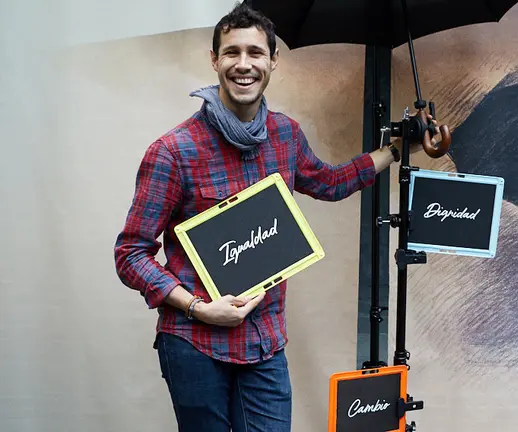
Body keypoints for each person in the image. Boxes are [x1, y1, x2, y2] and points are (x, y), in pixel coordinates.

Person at [113, 3, 437, 431]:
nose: (243, 64)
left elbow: (330, 182)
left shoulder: (285, 135)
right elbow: (130, 254)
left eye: (255, 52)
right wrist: (198, 307)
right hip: (194, 342)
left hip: (264, 340)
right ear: (214, 60)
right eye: (232, 52)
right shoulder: (173, 151)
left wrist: (397, 149)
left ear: (273, 60)